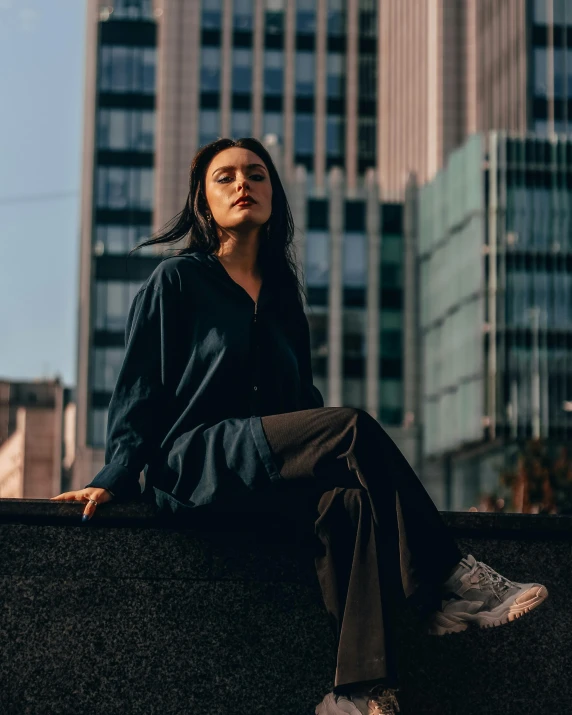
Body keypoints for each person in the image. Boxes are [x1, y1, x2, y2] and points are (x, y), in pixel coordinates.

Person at [51, 138, 549, 715]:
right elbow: (138, 389)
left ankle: (356, 692)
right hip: (195, 463)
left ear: (273, 195)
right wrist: (114, 474)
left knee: (350, 504)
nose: (243, 185)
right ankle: (447, 578)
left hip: (263, 473)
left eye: (256, 175)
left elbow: (301, 402)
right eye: (226, 177)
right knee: (350, 427)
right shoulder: (177, 282)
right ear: (202, 201)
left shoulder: (285, 298)